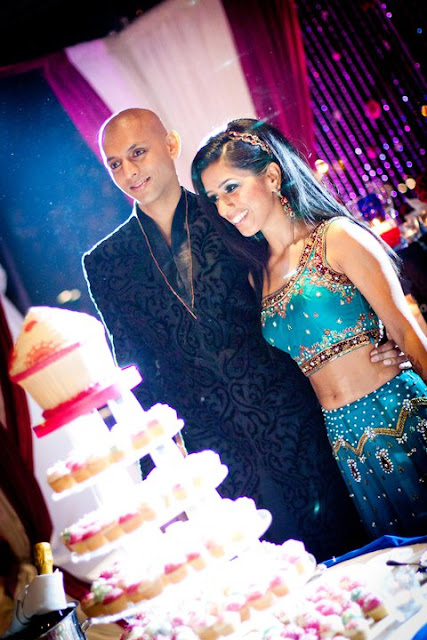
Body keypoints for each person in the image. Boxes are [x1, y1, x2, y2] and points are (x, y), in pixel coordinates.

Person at [82, 108, 403, 559]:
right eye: (115, 163)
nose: (129, 171)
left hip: (298, 422)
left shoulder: (230, 210)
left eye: (138, 153)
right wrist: (160, 477)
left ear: (171, 145)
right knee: (271, 580)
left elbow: (306, 276)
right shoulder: (105, 262)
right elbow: (135, 373)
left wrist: (379, 334)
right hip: (214, 457)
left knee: (355, 555)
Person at [191, 117, 427, 538]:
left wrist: (404, 352)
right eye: (215, 198)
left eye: (231, 188)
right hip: (344, 439)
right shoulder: (259, 276)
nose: (225, 208)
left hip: (398, 412)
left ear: (271, 176)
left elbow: (408, 333)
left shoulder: (337, 237)